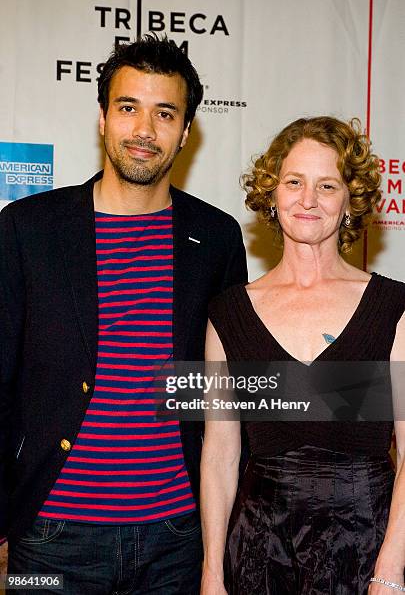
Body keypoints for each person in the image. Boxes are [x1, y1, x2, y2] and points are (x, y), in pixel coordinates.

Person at [0, 34, 247, 594]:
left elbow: (229, 396)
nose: (144, 130)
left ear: (186, 131)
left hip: (177, 540)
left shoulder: (216, 238)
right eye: (128, 107)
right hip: (50, 537)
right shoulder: (27, 228)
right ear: (103, 118)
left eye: (165, 113)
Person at [200, 116, 405, 595]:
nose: (308, 199)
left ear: (349, 201)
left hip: (367, 557)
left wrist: (390, 571)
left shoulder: (393, 308)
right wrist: (212, 575)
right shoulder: (228, 313)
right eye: (294, 182)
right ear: (271, 194)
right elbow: (219, 457)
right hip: (257, 558)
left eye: (327, 185)